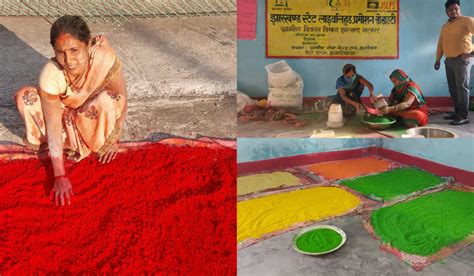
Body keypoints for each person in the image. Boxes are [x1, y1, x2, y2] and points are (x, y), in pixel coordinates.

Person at [14, 15, 128, 206]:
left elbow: (121, 98)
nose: (69, 60)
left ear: (87, 44)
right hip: (62, 117)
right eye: (61, 52)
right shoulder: (50, 74)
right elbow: (52, 123)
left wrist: (115, 136)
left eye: (75, 50)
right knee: (26, 98)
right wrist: (60, 176)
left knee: (110, 99)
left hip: (91, 114)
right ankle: (68, 143)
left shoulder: (104, 58)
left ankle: (90, 138)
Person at [434, 0, 473, 125]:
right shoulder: (445, 27)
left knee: (462, 88)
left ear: (459, 9)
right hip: (449, 61)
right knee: (453, 89)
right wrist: (438, 59)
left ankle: (463, 116)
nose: (454, 11)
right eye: (450, 10)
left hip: (463, 60)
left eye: (456, 8)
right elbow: (441, 44)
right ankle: (457, 113)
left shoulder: (467, 20)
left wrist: (472, 53)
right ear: (446, 12)